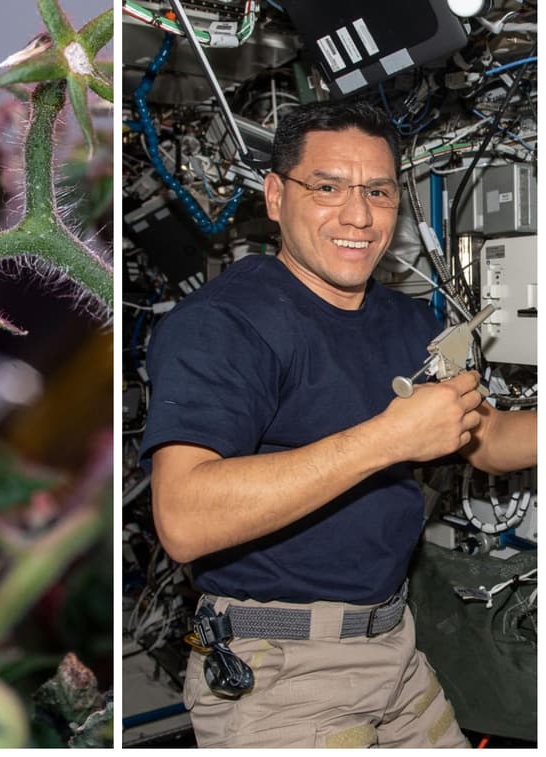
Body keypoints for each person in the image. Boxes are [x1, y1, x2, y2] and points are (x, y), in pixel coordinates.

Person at [138, 100, 537, 748]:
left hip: (395, 653)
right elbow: (184, 517)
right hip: (281, 676)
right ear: (275, 195)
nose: (358, 214)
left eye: (377, 191)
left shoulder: (407, 323)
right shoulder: (225, 325)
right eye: (328, 187)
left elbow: (486, 438)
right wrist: (390, 438)